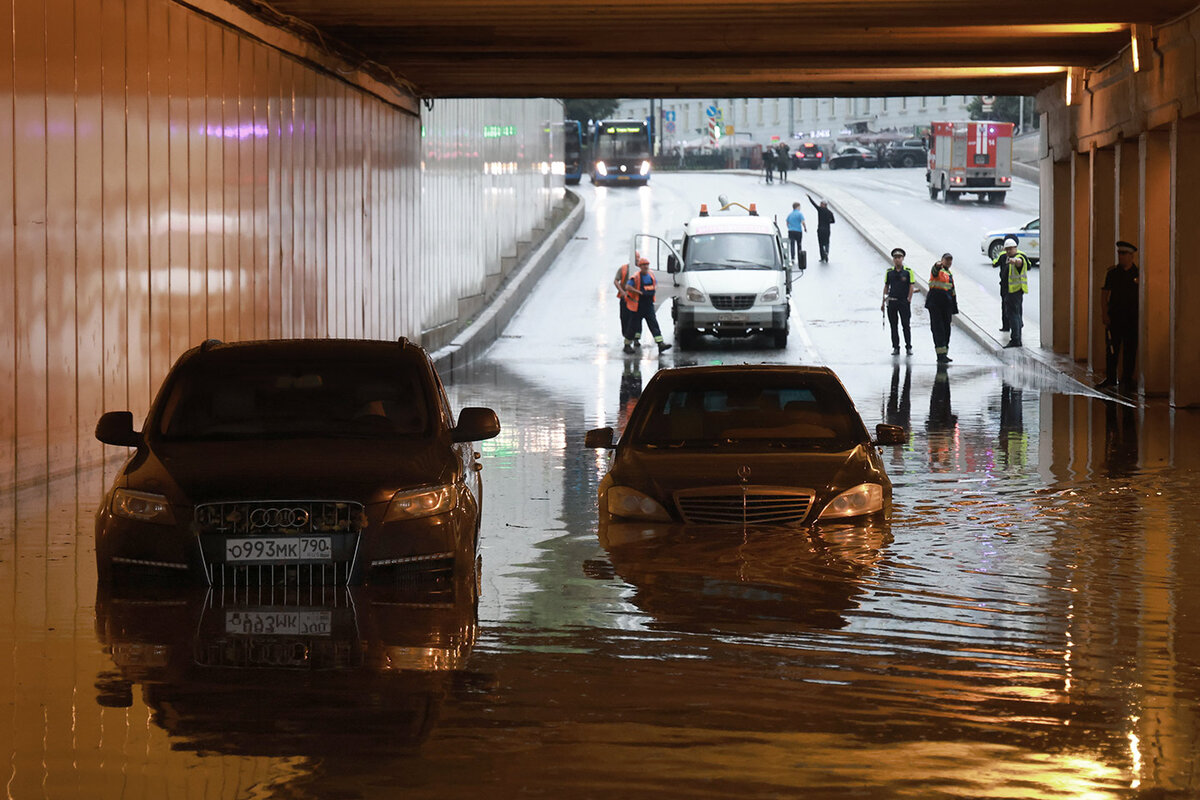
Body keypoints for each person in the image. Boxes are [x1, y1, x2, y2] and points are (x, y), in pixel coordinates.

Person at [1097, 240, 1140, 389]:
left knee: (1130, 350)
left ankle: (1127, 379)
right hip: (1114, 316)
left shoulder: (1138, 274)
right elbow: (1104, 294)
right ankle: (1110, 378)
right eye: (1119, 254)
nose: (1121, 257)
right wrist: (1104, 314)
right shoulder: (1112, 273)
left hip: (1132, 318)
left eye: (1124, 254)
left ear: (1131, 256)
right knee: (1111, 349)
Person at [624, 258, 672, 354]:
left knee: (653, 324)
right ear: (640, 266)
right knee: (633, 326)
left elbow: (655, 285)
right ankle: (627, 345)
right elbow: (628, 287)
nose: (646, 266)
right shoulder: (636, 276)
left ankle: (660, 344)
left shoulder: (651, 275)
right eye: (643, 265)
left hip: (648, 304)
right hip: (638, 305)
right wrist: (639, 292)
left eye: (647, 265)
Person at [993, 237, 1032, 348]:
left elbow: (1020, 262)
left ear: (1015, 248)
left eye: (1011, 249)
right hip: (1009, 291)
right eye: (1007, 249)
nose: (1009, 251)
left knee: (1013, 315)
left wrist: (1014, 261)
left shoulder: (1019, 257)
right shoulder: (1005, 257)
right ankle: (1017, 336)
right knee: (1016, 314)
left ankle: (1015, 339)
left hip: (1014, 291)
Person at [881, 247, 916, 356]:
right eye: (895, 257)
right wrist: (883, 301)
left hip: (903, 302)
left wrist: (909, 299)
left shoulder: (908, 272)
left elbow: (911, 286)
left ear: (903, 258)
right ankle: (896, 347)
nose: (897, 259)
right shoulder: (889, 272)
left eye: (899, 257)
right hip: (892, 302)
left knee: (906, 325)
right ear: (893, 259)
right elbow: (886, 286)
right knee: (893, 326)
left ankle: (908, 346)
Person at [925, 252, 958, 363]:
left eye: (950, 260)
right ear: (942, 260)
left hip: (946, 305)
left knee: (946, 330)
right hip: (935, 304)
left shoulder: (949, 274)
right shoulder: (938, 270)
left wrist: (954, 307)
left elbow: (952, 291)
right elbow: (935, 270)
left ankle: (944, 353)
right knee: (938, 329)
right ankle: (940, 355)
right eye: (946, 260)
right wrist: (937, 265)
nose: (948, 262)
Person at [613, 254, 644, 350]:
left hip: (636, 299)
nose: (637, 260)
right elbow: (616, 280)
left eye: (638, 259)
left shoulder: (641, 270)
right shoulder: (623, 268)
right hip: (625, 298)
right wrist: (622, 292)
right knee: (625, 317)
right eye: (636, 259)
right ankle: (627, 337)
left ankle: (636, 338)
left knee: (636, 318)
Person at [806, 194, 835, 261]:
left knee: (821, 244)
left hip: (820, 229)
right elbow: (833, 221)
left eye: (821, 203)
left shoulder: (820, 210)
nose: (820, 204)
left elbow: (814, 204)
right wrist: (828, 222)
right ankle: (827, 252)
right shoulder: (830, 213)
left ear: (824, 204)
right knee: (827, 242)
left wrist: (809, 197)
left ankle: (822, 257)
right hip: (827, 230)